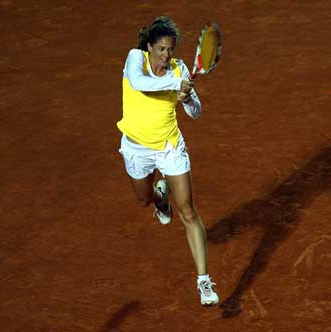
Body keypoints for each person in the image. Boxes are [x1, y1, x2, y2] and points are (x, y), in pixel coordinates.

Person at [116, 16, 218, 306]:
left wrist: (186, 98)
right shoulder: (135, 59)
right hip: (136, 148)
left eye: (170, 49)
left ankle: (204, 282)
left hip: (169, 147)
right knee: (143, 198)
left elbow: (196, 112)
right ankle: (160, 199)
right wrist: (177, 84)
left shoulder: (180, 69)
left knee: (188, 210)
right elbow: (139, 83)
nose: (166, 55)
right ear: (149, 46)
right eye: (160, 49)